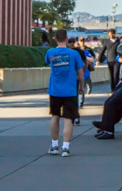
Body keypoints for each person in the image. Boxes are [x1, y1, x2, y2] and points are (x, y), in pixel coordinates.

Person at [45, 29, 84, 157]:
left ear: (55, 39)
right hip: (70, 90)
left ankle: (54, 145)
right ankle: (66, 147)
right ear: (67, 39)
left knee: (55, 116)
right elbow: (80, 72)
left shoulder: (50, 52)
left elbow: (47, 62)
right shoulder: (74, 54)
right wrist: (82, 87)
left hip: (55, 90)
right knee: (68, 118)